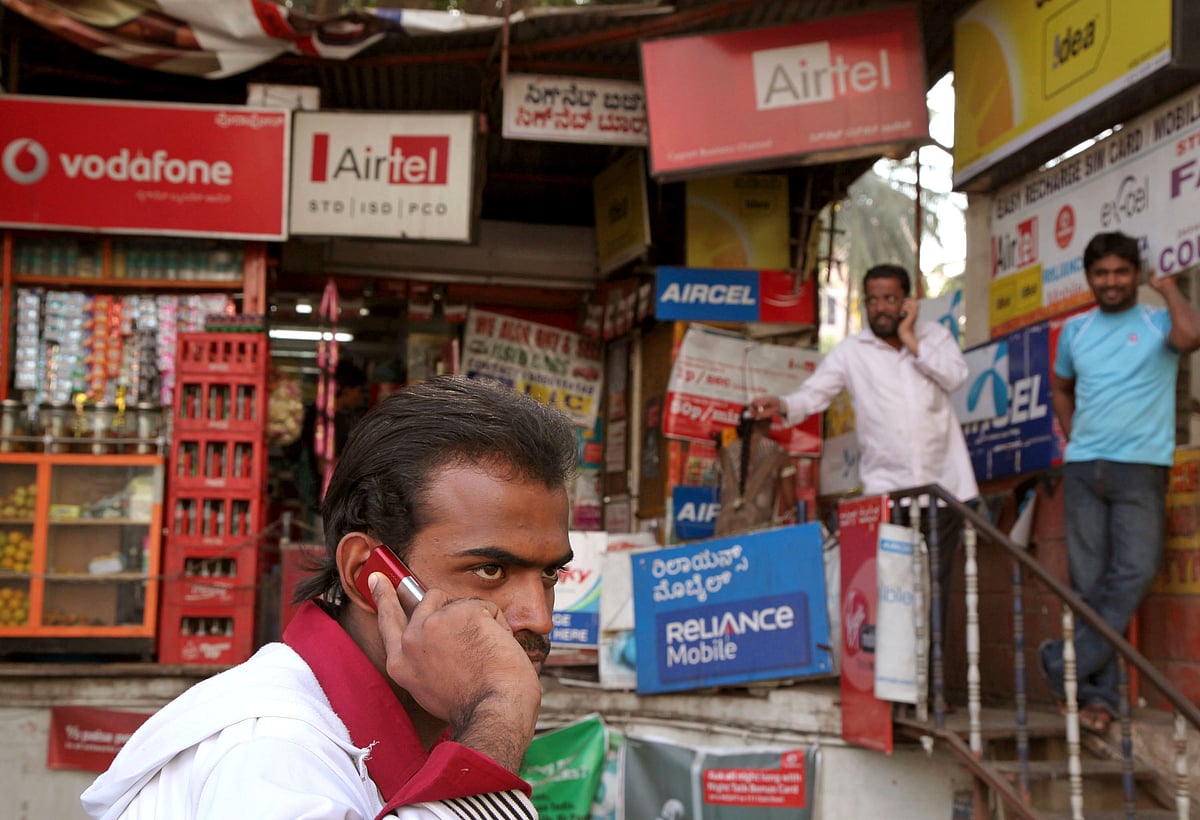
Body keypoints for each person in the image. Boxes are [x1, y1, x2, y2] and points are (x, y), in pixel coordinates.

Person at [82, 376, 578, 819]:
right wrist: (499, 712)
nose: (537, 616)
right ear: (368, 574)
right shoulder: (271, 754)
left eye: (551, 573)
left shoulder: (420, 720)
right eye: (490, 570)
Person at [750, 264, 979, 691]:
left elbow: (955, 377)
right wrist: (781, 404)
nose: (880, 308)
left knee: (936, 589)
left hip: (944, 489)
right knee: (893, 590)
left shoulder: (935, 339)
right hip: (888, 493)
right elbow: (814, 394)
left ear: (910, 302)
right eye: (872, 300)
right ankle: (896, 686)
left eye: (890, 299)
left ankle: (933, 689)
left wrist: (911, 340)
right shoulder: (852, 351)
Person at [1041, 231, 1200, 732]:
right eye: (1101, 274)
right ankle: (1099, 698)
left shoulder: (1158, 323)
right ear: (1089, 278)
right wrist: (1074, 439)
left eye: (1120, 272)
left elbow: (1191, 338)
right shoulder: (1075, 332)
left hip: (1141, 468)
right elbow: (1061, 388)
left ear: (1135, 274)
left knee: (1134, 570)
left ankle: (1063, 659)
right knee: (1089, 583)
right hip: (1086, 467)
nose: (1111, 282)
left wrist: (1169, 289)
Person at [713, 416, 798, 537]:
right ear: (767, 425)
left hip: (725, 529)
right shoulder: (779, 453)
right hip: (759, 530)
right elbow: (790, 503)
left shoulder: (725, 452)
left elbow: (717, 492)